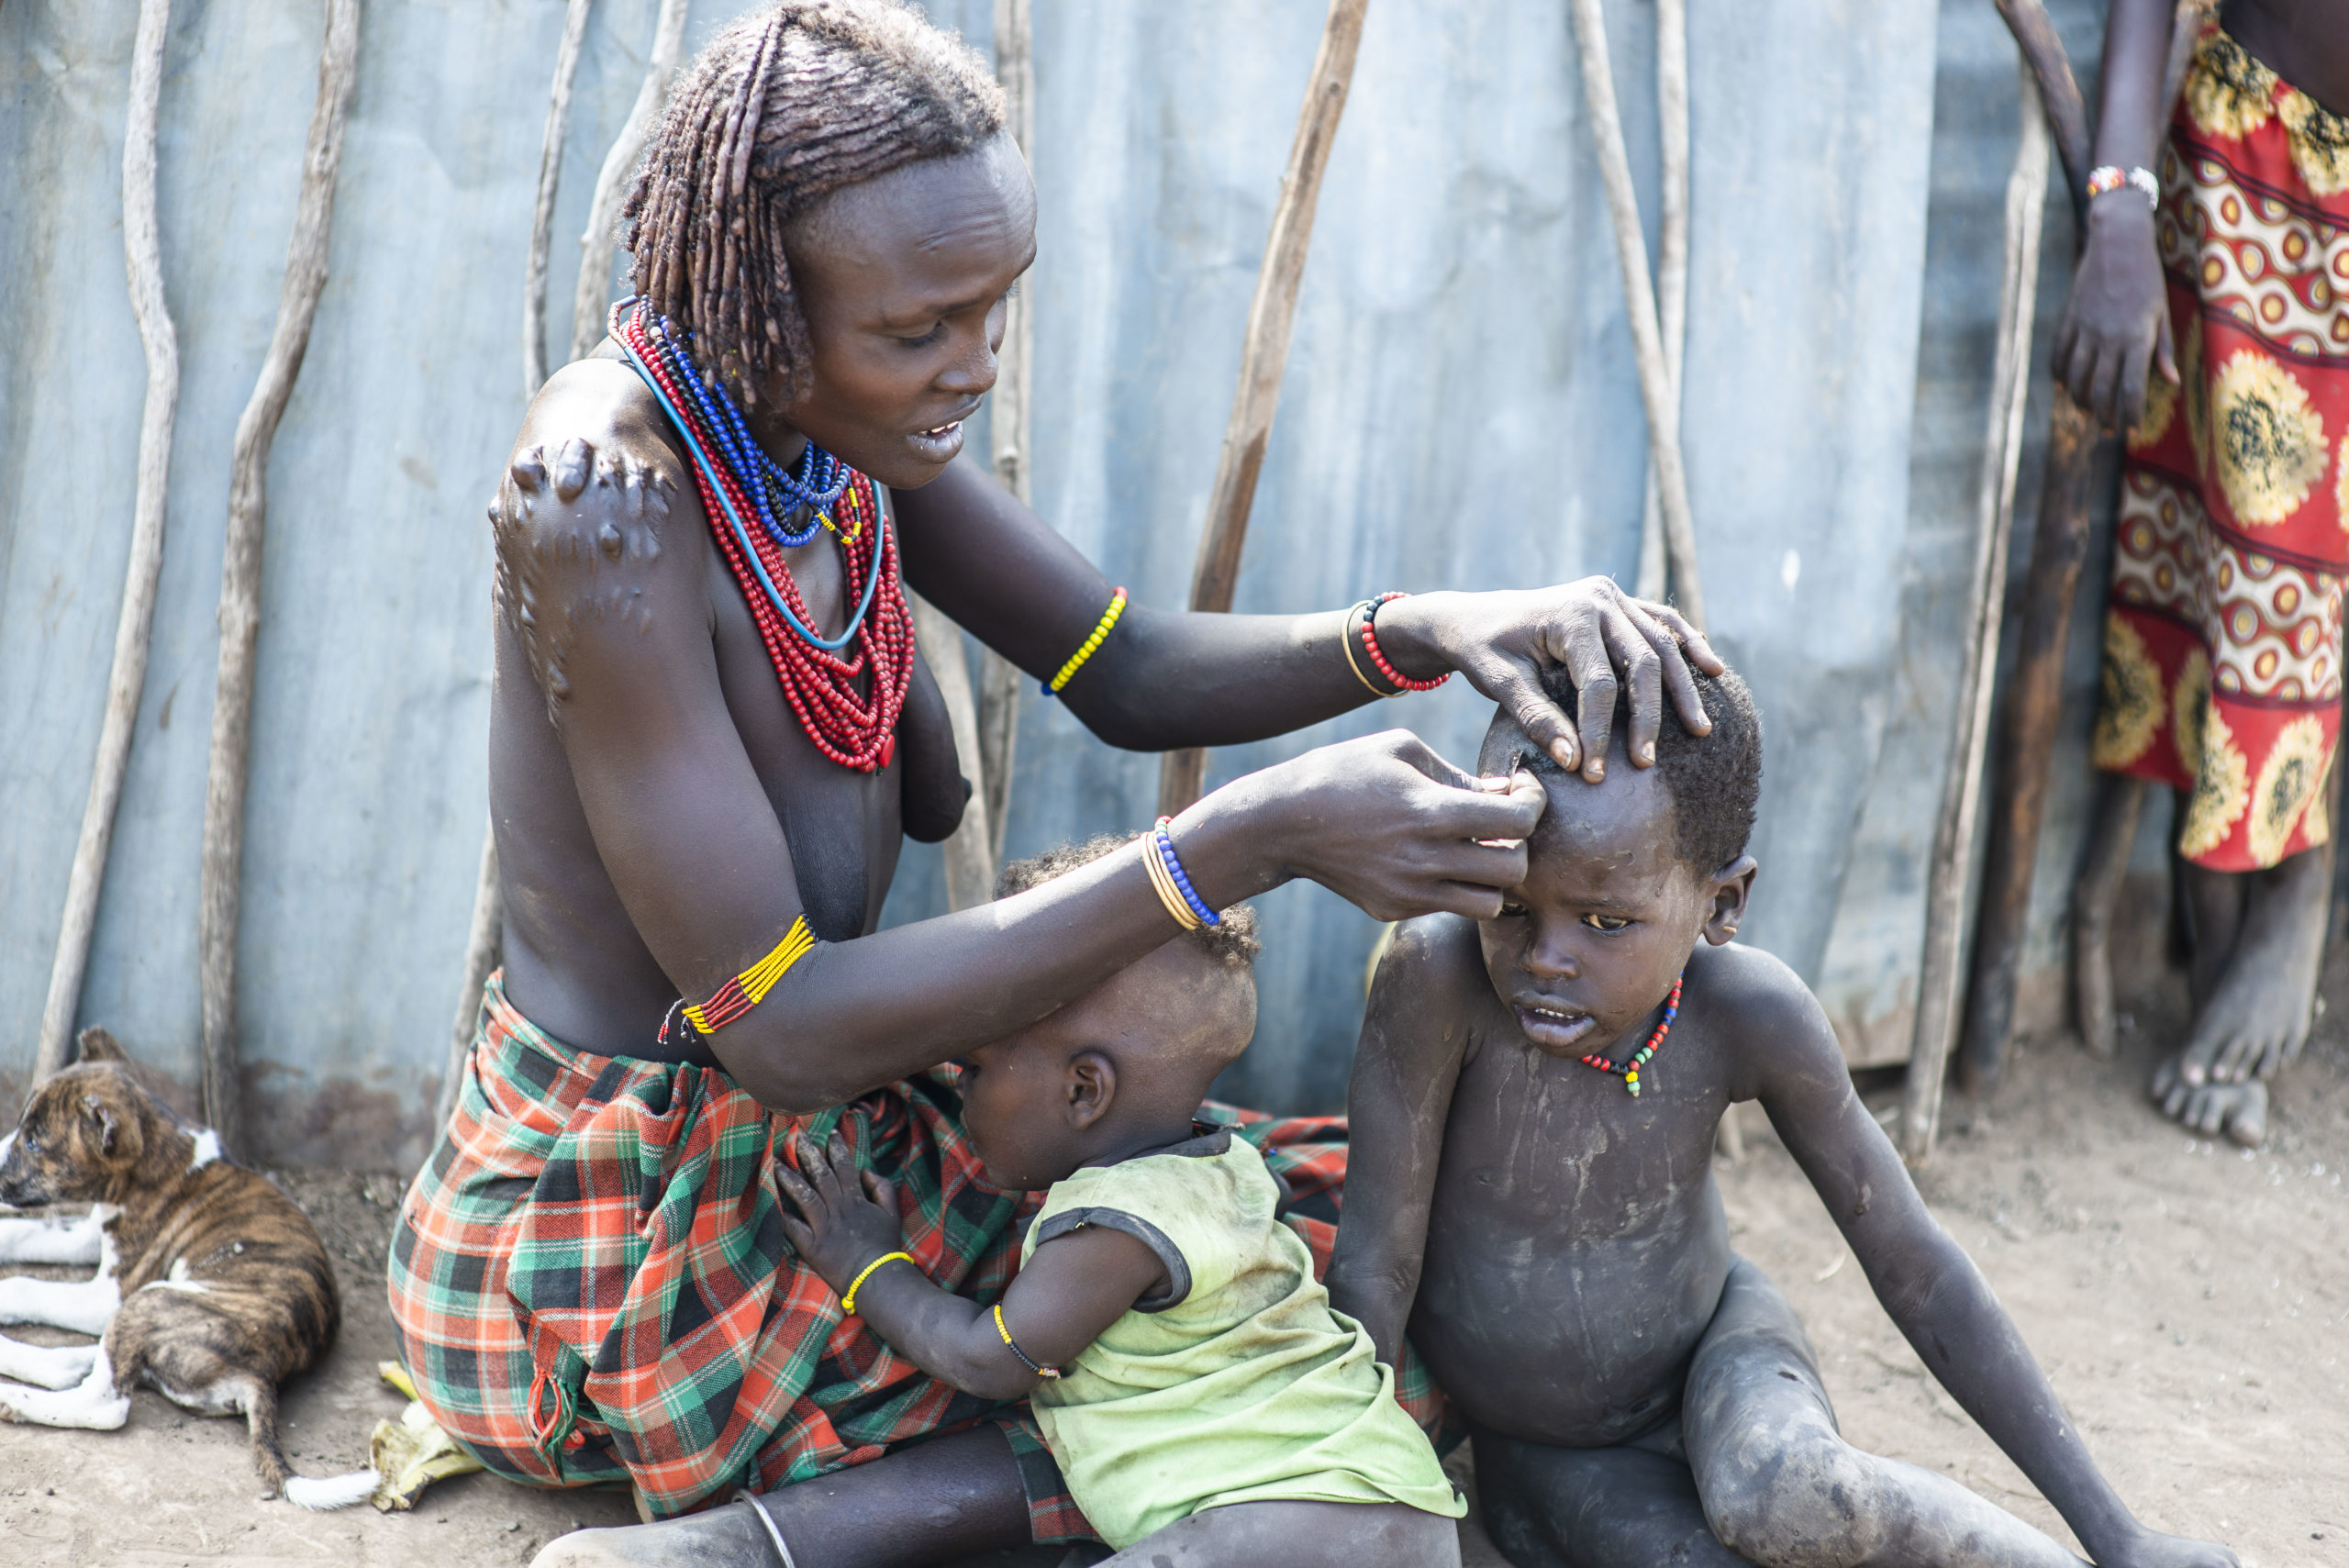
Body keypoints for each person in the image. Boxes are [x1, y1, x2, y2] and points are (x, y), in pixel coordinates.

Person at [392, 5, 1718, 1564]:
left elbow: (1127, 660)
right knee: (1174, 1367)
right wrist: (1246, 837)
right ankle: (741, 1547)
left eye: (993, 313)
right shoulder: (610, 498)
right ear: (754, 296)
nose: (972, 369)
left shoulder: (825, 432)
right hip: (626, 1222)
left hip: (832, 1127)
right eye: (918, 329)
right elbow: (783, 1026)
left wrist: (1418, 627)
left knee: (1308, 1252)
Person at [1324, 669, 2238, 1568]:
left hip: (1720, 1351)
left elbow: (1915, 1267)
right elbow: (1377, 1264)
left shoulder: (1747, 1013)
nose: (1546, 955)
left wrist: (2122, 1535)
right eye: (1512, 903)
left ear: (1720, 902)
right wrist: (1349, 1479)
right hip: (1546, 1447)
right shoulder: (1435, 978)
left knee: (1786, 1491)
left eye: (1605, 920)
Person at [767, 836, 1467, 1568]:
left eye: (974, 1063)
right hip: (1390, 1508)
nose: (955, 1079)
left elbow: (989, 1359)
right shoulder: (1229, 1167)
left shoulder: (1115, 1225)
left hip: (1291, 1520)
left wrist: (865, 1260)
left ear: (1083, 1090)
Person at [2061, 0, 2349, 1145]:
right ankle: (2265, 886)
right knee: (2243, 559)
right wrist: (2119, 211)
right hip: (2263, 167)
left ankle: (2296, 874)